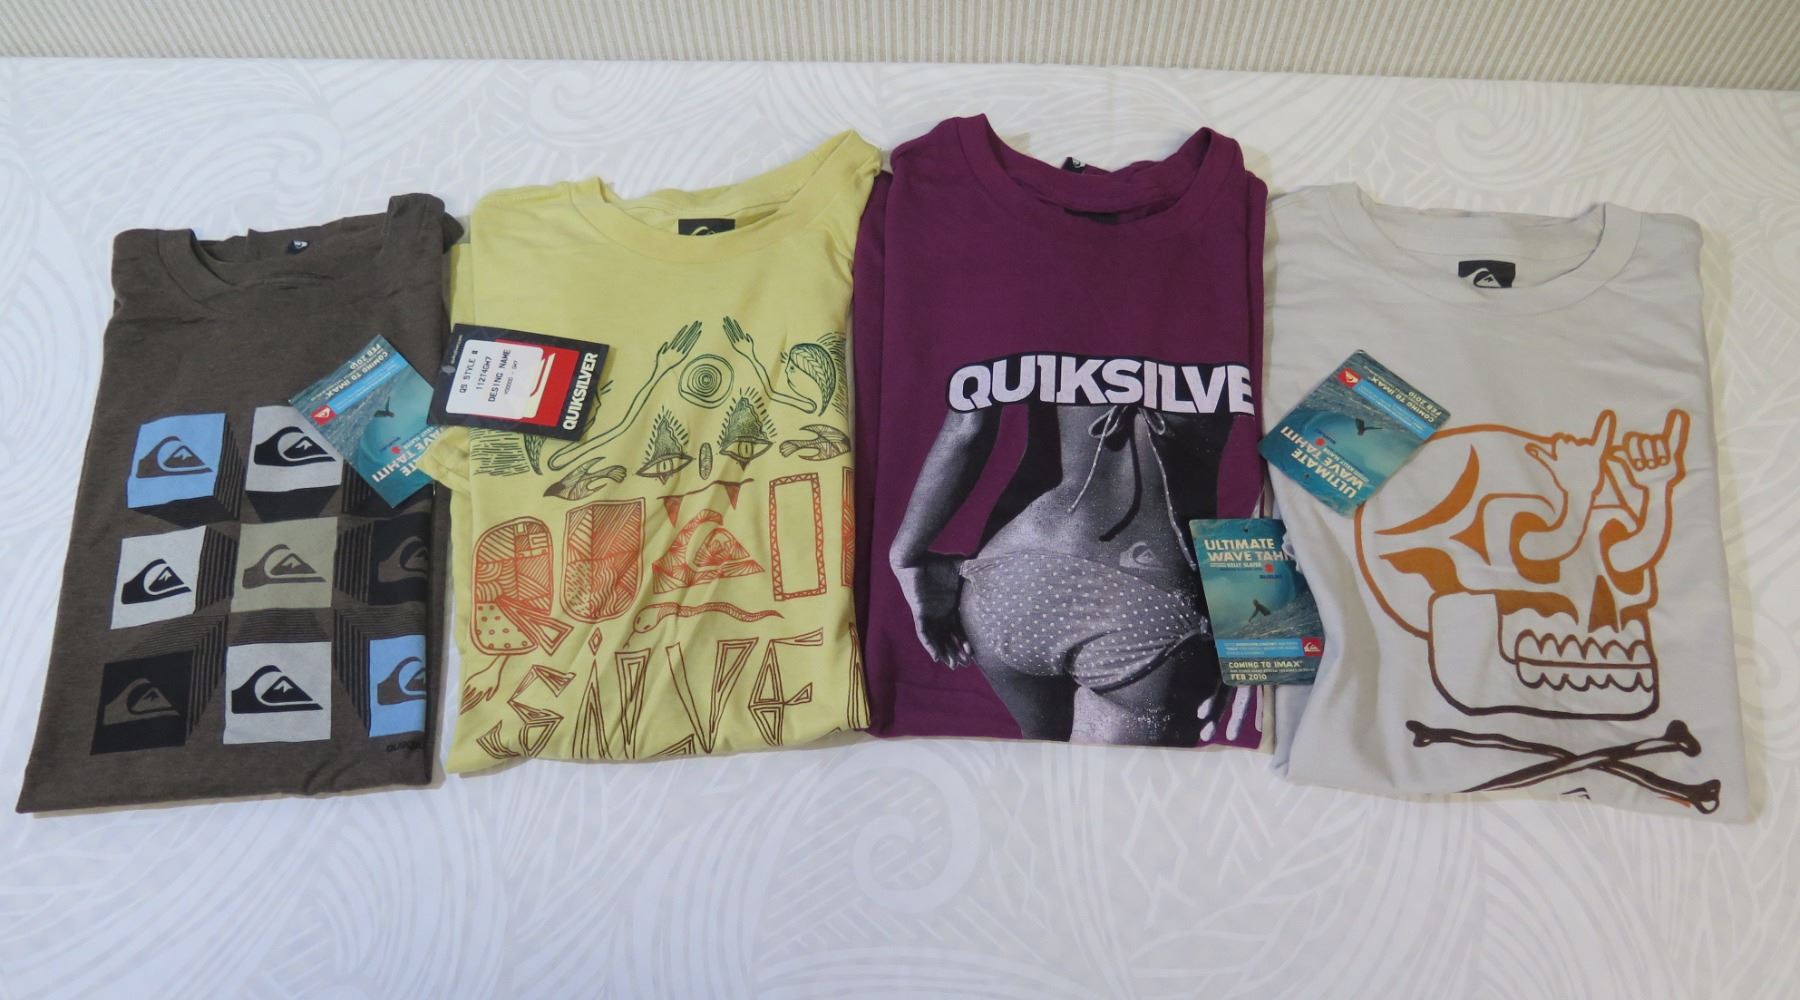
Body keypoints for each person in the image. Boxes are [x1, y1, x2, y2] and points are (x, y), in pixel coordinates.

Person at [888, 395, 1235, 745]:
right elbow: (1265, 471)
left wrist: (906, 556)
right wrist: (1255, 640)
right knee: (1114, 783)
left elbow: (967, 429)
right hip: (1149, 602)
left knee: (1042, 774)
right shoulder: (1229, 355)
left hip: (1016, 577)